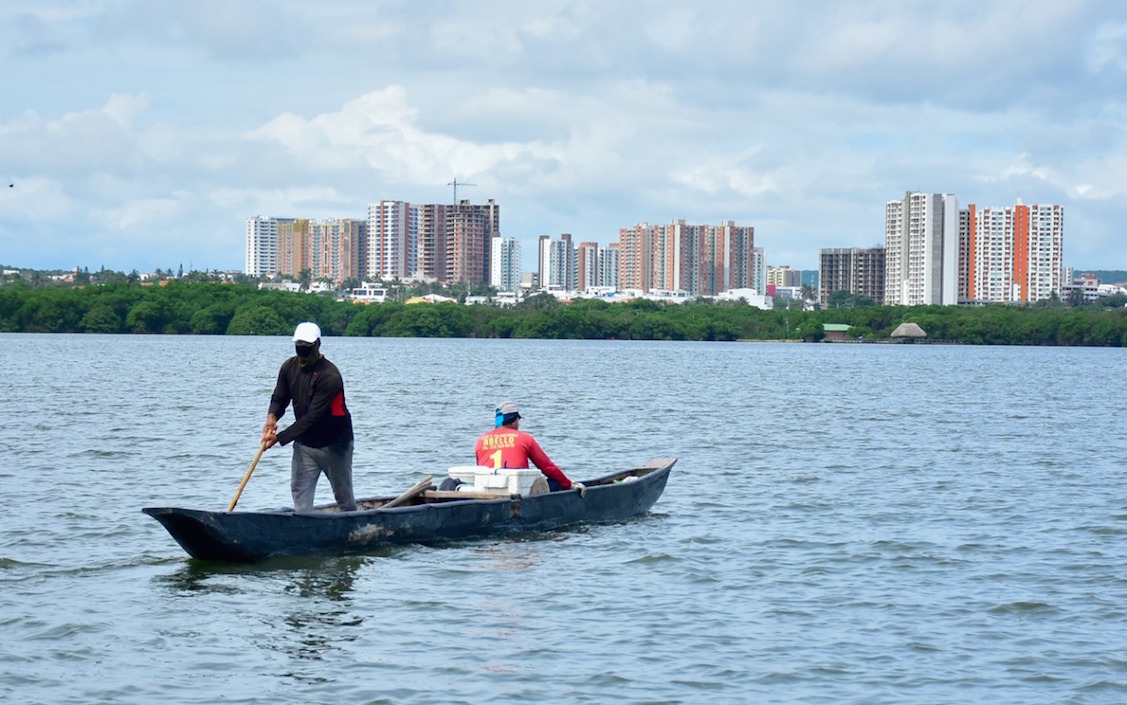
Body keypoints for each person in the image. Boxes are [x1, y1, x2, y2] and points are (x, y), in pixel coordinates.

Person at [261, 322, 357, 512]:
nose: (302, 356)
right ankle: (304, 526)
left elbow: (312, 418)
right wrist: (272, 417)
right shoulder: (288, 367)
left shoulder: (330, 376)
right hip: (305, 445)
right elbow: (280, 396)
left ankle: (355, 529)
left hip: (335, 445)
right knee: (300, 495)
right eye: (299, 349)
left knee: (343, 496)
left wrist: (279, 439)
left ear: (318, 345)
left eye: (307, 350)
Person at [471, 400, 584, 495]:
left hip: (488, 492)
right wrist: (568, 484)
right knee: (555, 482)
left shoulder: (480, 441)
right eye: (518, 420)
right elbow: (548, 468)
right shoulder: (525, 439)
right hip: (518, 493)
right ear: (514, 421)